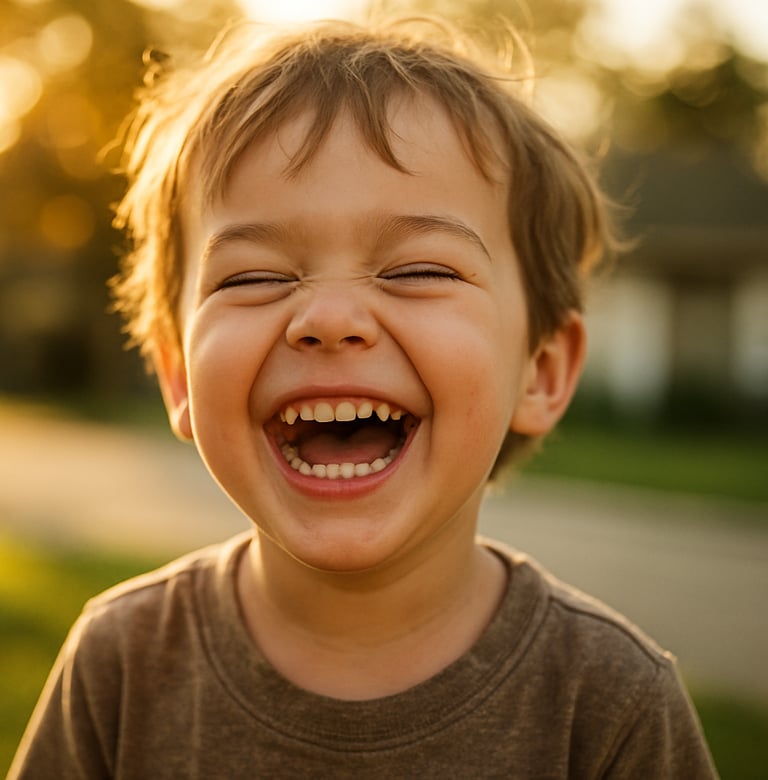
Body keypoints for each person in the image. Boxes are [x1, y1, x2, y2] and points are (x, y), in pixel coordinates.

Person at [9, 16, 718, 778]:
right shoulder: (119, 668)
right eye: (253, 277)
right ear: (178, 374)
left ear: (540, 370)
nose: (328, 320)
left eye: (420, 270)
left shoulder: (608, 703)